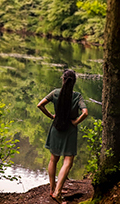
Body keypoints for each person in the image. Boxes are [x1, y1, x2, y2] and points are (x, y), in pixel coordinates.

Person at [37, 69, 88, 203]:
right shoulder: (77, 96)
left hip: (56, 127)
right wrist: (76, 121)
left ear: (63, 80)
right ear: (74, 81)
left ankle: (52, 189)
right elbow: (85, 112)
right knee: (68, 161)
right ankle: (57, 193)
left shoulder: (55, 93)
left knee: (54, 159)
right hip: (70, 130)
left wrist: (51, 116)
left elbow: (40, 105)